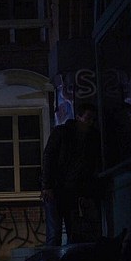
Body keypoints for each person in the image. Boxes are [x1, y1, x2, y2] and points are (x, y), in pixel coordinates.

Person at [40, 102, 102, 245]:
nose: (91, 123)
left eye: (93, 119)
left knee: (72, 233)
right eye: (88, 118)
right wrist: (47, 186)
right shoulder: (62, 133)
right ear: (78, 117)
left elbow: (89, 167)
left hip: (72, 191)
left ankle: (62, 258)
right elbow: (49, 158)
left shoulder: (91, 139)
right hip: (57, 188)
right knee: (55, 233)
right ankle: (53, 259)